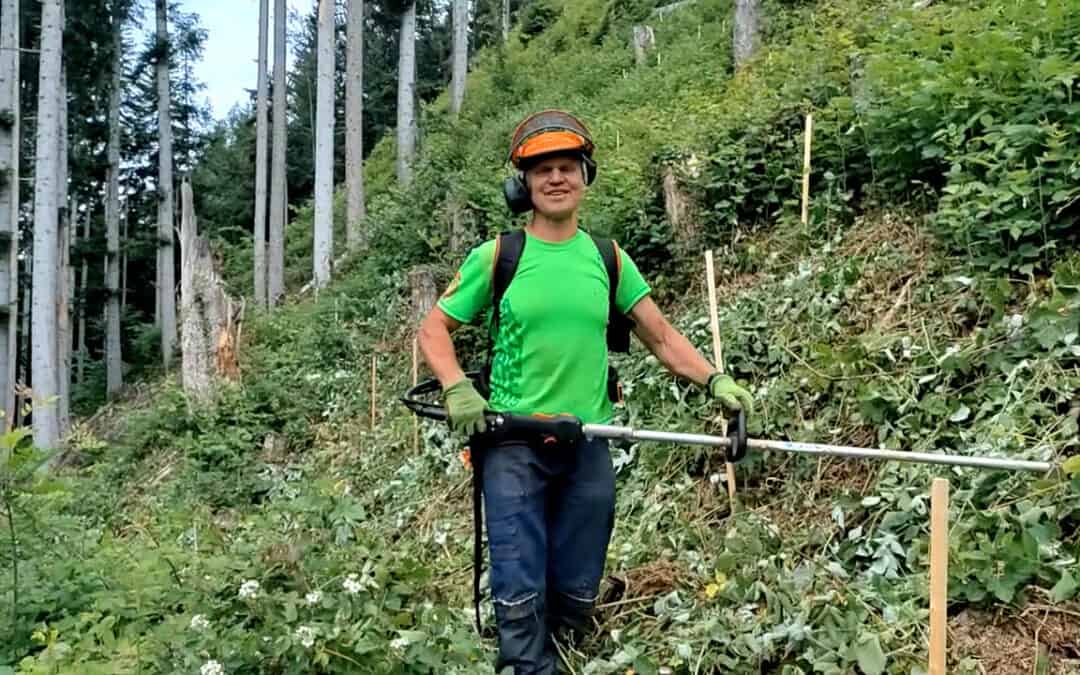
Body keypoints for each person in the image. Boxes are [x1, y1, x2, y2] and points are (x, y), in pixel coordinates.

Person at [417, 109, 752, 674]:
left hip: (588, 441)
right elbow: (433, 330)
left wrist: (714, 380)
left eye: (567, 167)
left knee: (577, 581)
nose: (556, 178)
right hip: (513, 442)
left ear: (585, 176)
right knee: (519, 578)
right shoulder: (498, 256)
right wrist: (456, 386)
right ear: (522, 184)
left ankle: (566, 650)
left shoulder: (608, 258)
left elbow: (662, 335)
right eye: (542, 169)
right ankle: (526, 664)